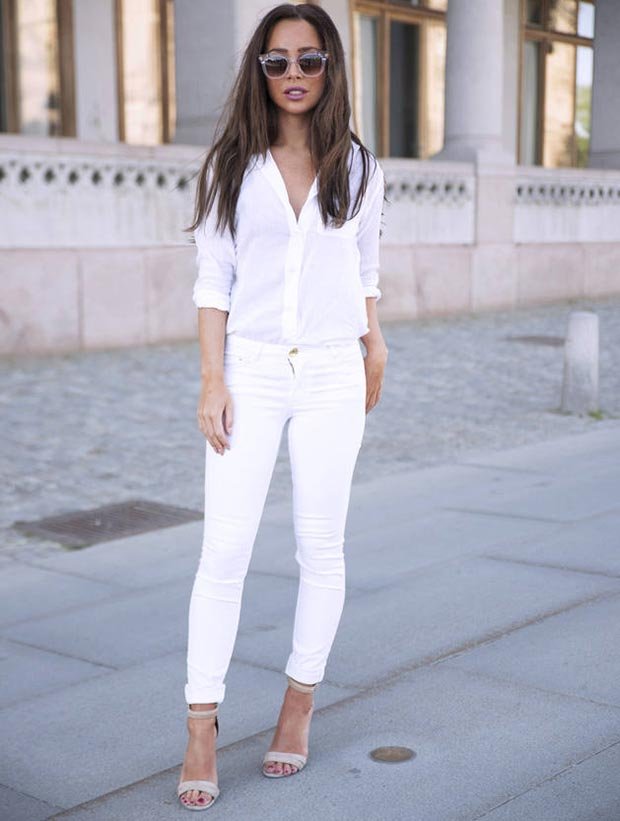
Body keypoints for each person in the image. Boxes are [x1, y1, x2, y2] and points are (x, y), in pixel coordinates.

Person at [177, 2, 388, 811]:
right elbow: (213, 282)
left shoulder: (360, 168)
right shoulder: (231, 167)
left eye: (308, 59)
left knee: (320, 547)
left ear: (330, 66)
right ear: (259, 71)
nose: (293, 74)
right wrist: (213, 378)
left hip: (334, 372)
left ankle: (298, 706)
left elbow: (364, 267)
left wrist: (375, 342)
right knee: (224, 552)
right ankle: (201, 724)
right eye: (277, 61)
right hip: (253, 371)